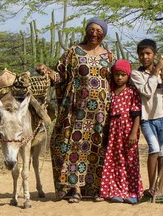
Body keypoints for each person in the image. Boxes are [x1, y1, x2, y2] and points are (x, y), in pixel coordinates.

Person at [36, 18, 114, 203]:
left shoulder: (110, 56)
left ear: (103, 33)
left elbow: (118, 81)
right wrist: (47, 71)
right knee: (75, 147)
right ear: (85, 31)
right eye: (91, 29)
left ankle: (96, 189)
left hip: (102, 112)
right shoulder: (74, 52)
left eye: (98, 30)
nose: (94, 33)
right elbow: (60, 75)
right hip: (77, 110)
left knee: (98, 148)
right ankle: (75, 189)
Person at [130, 39, 163, 204]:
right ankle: (151, 187)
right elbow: (147, 92)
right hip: (147, 119)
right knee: (154, 149)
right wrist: (156, 72)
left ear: (154, 55)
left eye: (148, 53)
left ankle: (160, 189)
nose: (145, 57)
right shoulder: (137, 74)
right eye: (142, 54)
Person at [99, 59, 143, 204]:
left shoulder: (132, 92)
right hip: (113, 132)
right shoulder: (110, 92)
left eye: (123, 75)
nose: (119, 78)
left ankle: (132, 192)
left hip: (128, 130)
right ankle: (116, 191)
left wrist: (133, 133)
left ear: (128, 76)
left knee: (130, 161)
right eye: (117, 74)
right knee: (115, 161)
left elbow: (136, 114)